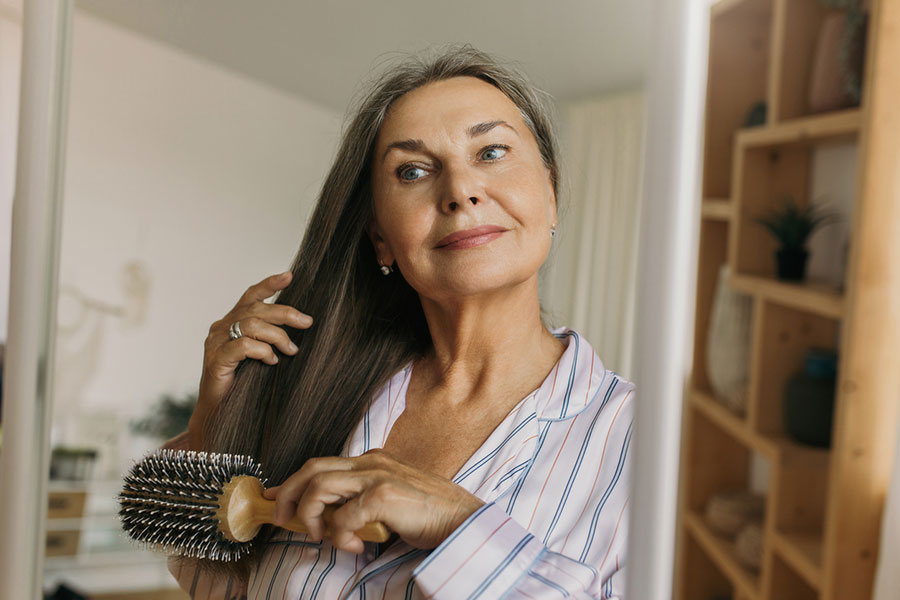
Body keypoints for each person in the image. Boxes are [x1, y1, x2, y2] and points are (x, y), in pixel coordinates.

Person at [167, 45, 634, 599]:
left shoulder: (644, 445)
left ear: (550, 194)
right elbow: (217, 586)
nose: (460, 190)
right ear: (380, 236)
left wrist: (458, 524)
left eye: (491, 152)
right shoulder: (313, 392)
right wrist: (214, 425)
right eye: (412, 170)